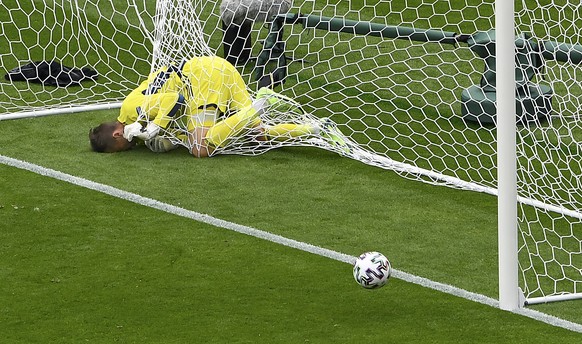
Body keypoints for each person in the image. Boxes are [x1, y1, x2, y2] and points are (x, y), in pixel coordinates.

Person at [89, 56, 350, 157]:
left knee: (201, 148)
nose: (128, 148)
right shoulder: (135, 117)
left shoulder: (133, 111)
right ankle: (317, 129)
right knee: (256, 136)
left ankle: (260, 103)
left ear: (116, 134)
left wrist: (155, 127)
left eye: (121, 148)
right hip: (220, 69)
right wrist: (167, 139)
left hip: (203, 79)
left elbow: (173, 101)